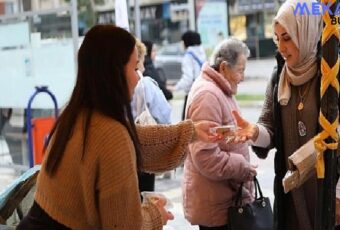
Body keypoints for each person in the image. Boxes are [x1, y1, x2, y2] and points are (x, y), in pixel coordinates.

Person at [17, 25, 220, 230]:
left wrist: (190, 132)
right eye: (134, 68)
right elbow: (123, 225)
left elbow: (136, 139)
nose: (138, 77)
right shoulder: (111, 134)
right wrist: (154, 214)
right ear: (114, 72)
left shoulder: (77, 114)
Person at [232, 0, 340, 229]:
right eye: (277, 39)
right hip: (294, 199)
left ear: (306, 32)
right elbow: (270, 128)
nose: (281, 47)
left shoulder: (338, 72)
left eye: (287, 38)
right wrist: (255, 132)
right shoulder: (279, 77)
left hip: (332, 194)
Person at [182, 38, 257, 230]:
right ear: (224, 67)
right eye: (240, 70)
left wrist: (242, 138)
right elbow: (205, 157)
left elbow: (222, 137)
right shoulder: (207, 95)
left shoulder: (220, 90)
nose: (243, 77)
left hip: (224, 203)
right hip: (216, 209)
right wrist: (242, 166)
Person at [132, 39, 172, 193]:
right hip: (145, 152)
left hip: (123, 157)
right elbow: (164, 116)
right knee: (145, 196)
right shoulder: (145, 84)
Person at [170, 31, 206, 119]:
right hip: (204, 93)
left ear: (187, 42)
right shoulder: (203, 54)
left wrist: (175, 87)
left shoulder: (188, 57)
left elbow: (188, 79)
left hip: (192, 95)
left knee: (187, 127)